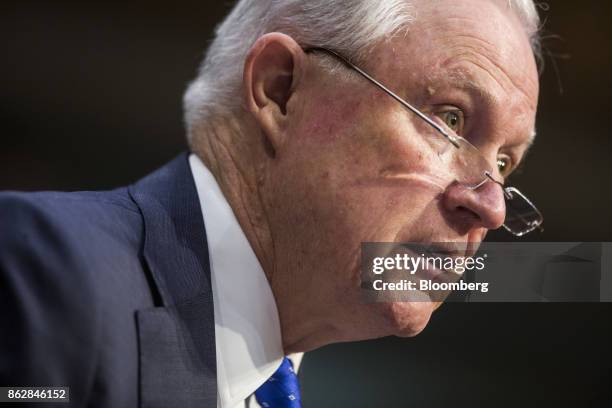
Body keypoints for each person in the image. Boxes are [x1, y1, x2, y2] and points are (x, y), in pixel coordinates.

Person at [0, 0, 543, 406]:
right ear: (281, 90)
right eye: (450, 119)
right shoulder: (47, 275)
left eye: (503, 164)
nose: (491, 207)